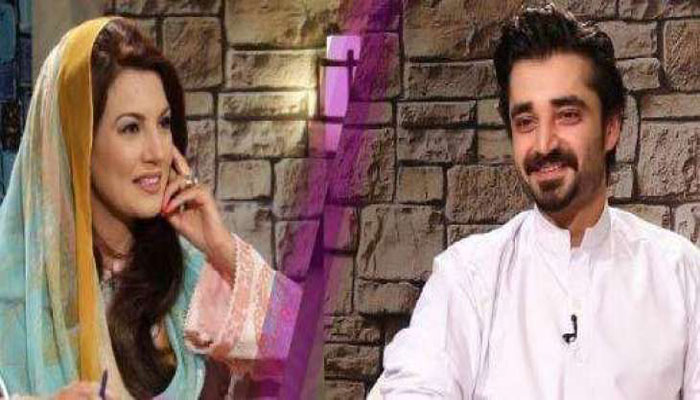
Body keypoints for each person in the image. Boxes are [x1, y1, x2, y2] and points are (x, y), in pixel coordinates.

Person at [370, 4, 700, 399]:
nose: (543, 144)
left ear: (611, 127)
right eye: (525, 122)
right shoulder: (468, 278)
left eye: (567, 115)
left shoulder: (680, 274)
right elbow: (411, 388)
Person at [0, 17, 301, 398]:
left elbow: (306, 349)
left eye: (163, 123)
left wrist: (222, 248)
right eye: (131, 128)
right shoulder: (17, 293)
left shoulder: (189, 274)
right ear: (78, 143)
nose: (158, 152)